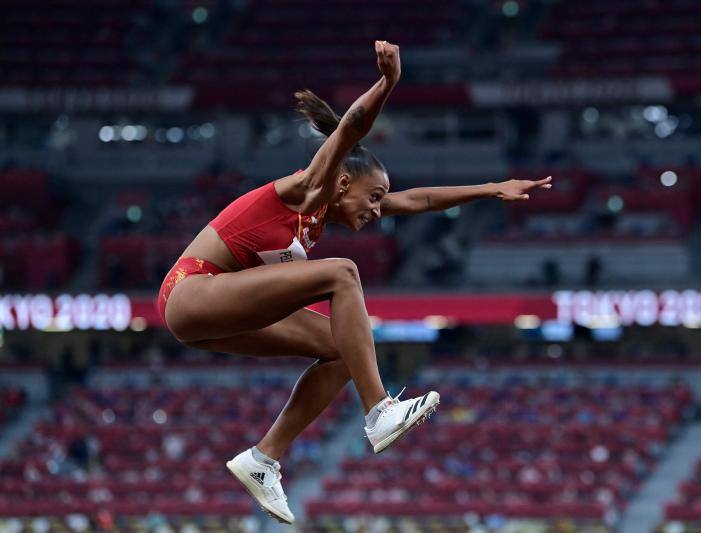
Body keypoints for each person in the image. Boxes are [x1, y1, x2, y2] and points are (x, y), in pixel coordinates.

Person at [155, 40, 552, 524]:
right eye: (374, 196)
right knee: (343, 273)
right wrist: (388, 84)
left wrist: (492, 189)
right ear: (344, 184)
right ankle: (379, 410)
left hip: (215, 310)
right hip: (190, 293)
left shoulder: (326, 212)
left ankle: (262, 460)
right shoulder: (307, 189)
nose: (377, 209)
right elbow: (351, 128)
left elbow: (422, 201)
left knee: (343, 347)